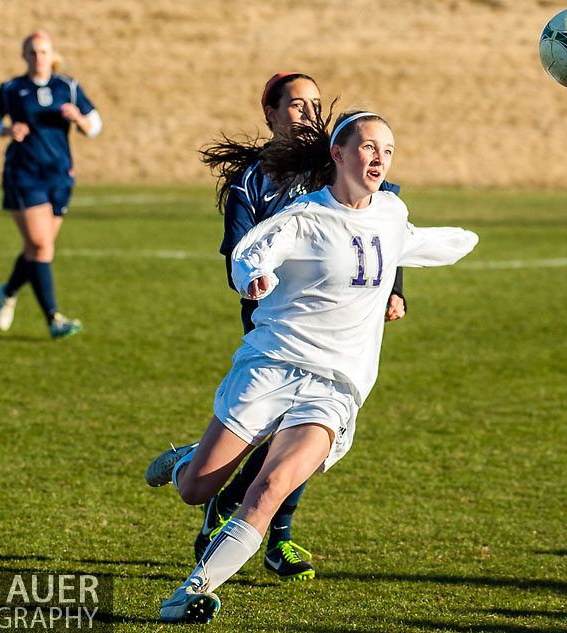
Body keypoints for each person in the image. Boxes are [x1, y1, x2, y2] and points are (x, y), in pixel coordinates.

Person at [153, 109, 478, 624]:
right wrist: (252, 277)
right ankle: (184, 463)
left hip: (336, 386)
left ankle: (194, 590)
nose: (380, 158)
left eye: (388, 150)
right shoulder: (304, 216)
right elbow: (250, 251)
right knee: (198, 490)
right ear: (339, 154)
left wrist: (461, 240)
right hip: (274, 365)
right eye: (369, 147)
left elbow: (408, 241)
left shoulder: (391, 213)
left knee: (271, 486)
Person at [145, 73, 407, 582]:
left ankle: (276, 536)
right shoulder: (252, 179)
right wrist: (252, 277)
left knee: (304, 437)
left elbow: (385, 228)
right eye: (294, 105)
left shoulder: (339, 163)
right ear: (269, 113)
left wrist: (396, 290)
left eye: (314, 103)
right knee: (264, 441)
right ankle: (204, 476)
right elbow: (238, 250)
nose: (308, 113)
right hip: (274, 327)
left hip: (334, 333)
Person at [0, 30, 102, 339]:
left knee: (37, 247)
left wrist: (80, 119)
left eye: (44, 52)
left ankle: (8, 291)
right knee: (41, 245)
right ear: (24, 56)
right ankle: (54, 318)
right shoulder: (12, 89)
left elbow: (95, 123)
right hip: (24, 173)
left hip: (60, 175)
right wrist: (6, 131)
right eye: (33, 52)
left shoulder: (68, 87)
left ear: (52, 55)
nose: (39, 58)